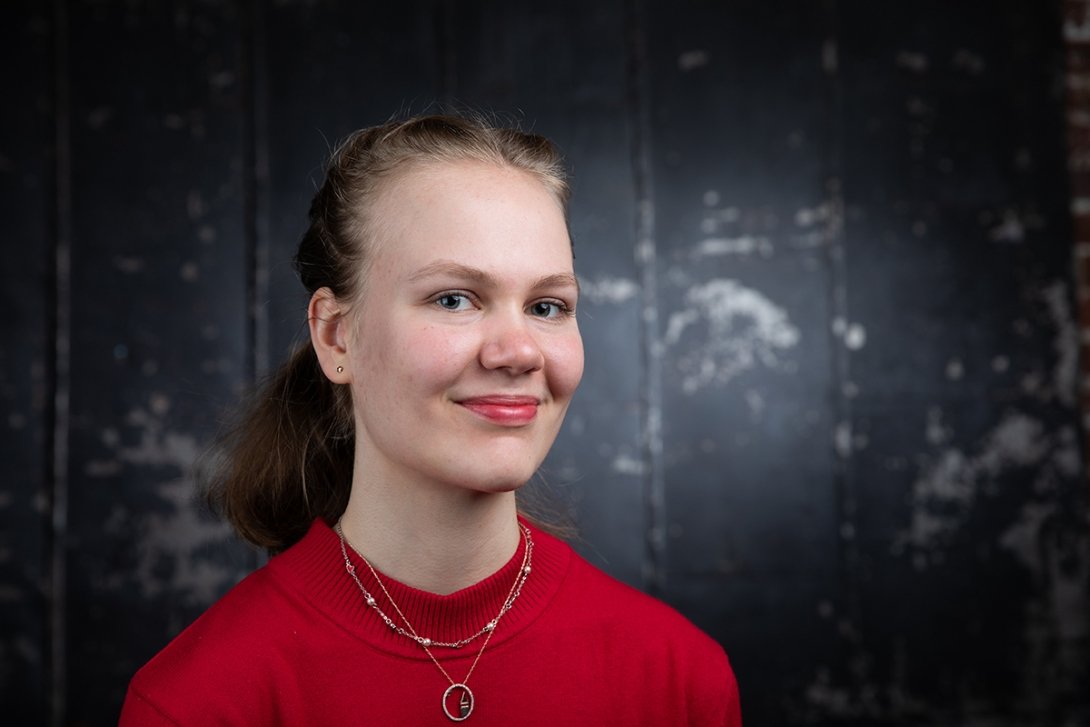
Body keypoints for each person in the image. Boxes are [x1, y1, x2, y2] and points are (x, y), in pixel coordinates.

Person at [119, 113, 742, 725]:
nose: (519, 351)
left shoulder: (680, 679)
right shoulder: (196, 701)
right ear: (337, 338)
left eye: (547, 306)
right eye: (453, 299)